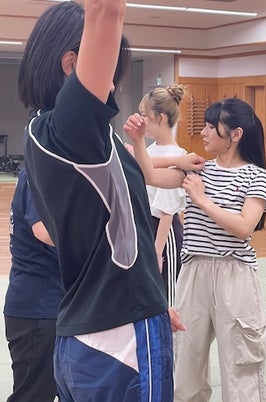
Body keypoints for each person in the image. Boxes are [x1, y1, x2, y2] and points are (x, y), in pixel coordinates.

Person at [18, 1, 201, 400]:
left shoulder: (62, 136)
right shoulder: (71, 129)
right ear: (72, 63)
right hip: (119, 341)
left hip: (93, 331)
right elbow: (106, 10)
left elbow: (120, 208)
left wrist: (149, 297)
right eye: (111, 74)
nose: (113, 87)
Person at [124, 97, 266, 402]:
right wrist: (139, 141)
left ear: (235, 134)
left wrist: (202, 200)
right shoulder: (198, 170)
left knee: (241, 369)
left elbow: (244, 227)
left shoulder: (256, 175)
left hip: (235, 275)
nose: (203, 132)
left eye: (210, 126)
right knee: (186, 366)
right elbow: (148, 175)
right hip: (193, 271)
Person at [5, 167, 64, 402]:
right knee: (33, 395)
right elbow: (44, 232)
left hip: (51, 304)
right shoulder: (38, 172)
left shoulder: (40, 170)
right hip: (39, 308)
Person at [138, 85, 188, 305]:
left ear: (160, 118)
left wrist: (158, 252)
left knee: (167, 298)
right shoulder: (150, 151)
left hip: (164, 233)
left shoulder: (178, 155)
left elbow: (167, 211)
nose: (141, 120)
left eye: (144, 116)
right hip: (147, 226)